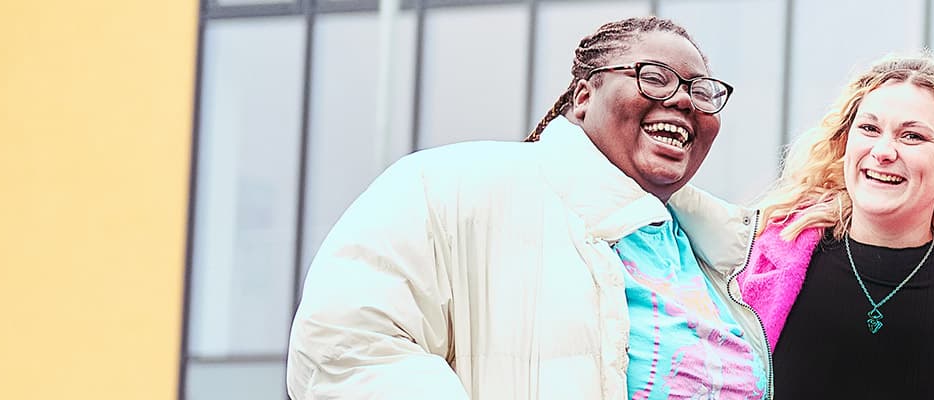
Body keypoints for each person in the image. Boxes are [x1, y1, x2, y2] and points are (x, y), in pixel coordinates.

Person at [287, 16, 770, 399]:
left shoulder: (724, 259)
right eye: (655, 78)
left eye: (701, 91)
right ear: (583, 97)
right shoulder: (448, 186)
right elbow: (346, 347)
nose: (684, 101)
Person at [742, 54, 934, 399]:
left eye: (912, 136)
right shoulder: (757, 264)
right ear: (845, 143)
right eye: (869, 129)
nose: (883, 151)